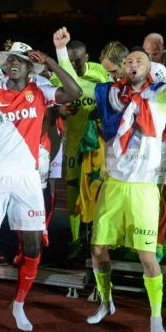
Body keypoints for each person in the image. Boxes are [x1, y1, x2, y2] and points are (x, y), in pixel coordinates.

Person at [87, 19, 166, 332]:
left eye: (140, 60)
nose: (133, 64)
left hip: (144, 189)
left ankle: (155, 317)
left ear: (149, 68)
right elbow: (81, 89)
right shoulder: (113, 95)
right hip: (113, 185)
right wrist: (61, 52)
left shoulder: (160, 95)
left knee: (147, 257)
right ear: (123, 68)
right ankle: (105, 301)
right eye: (129, 61)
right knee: (97, 249)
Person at [0, 40, 82, 332]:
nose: (13, 63)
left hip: (28, 179)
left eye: (20, 60)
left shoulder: (41, 91)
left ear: (30, 67)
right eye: (10, 60)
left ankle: (18, 305)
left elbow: (75, 92)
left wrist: (50, 62)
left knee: (32, 246)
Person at [49, 30, 111, 257]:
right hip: (73, 143)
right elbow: (49, 104)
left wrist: (99, 112)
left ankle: (96, 237)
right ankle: (76, 239)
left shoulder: (100, 73)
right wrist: (60, 110)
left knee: (97, 191)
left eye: (77, 61)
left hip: (97, 144)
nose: (73, 65)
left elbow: (113, 100)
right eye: (69, 60)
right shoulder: (58, 77)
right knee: (73, 190)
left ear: (86, 58)